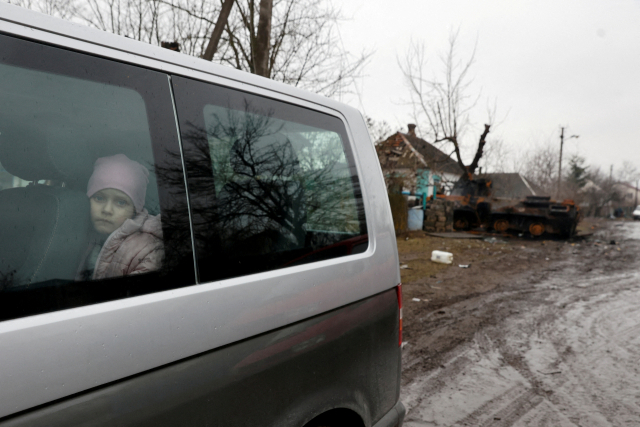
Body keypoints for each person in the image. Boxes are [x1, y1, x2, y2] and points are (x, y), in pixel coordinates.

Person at [76, 154, 163, 281]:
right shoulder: (80, 234)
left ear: (135, 210)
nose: (107, 210)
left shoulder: (149, 251)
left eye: (121, 202)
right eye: (99, 198)